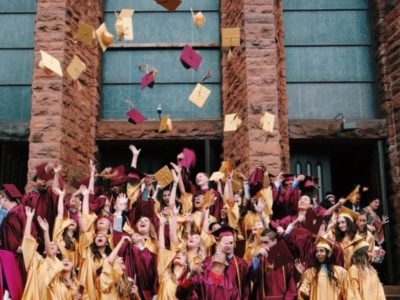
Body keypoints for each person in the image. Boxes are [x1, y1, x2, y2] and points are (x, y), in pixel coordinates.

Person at [250, 229, 297, 299]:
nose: (263, 245)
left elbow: (291, 286)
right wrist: (256, 258)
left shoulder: (285, 259)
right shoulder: (260, 259)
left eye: (266, 242)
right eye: (261, 243)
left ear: (275, 241)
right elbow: (254, 278)